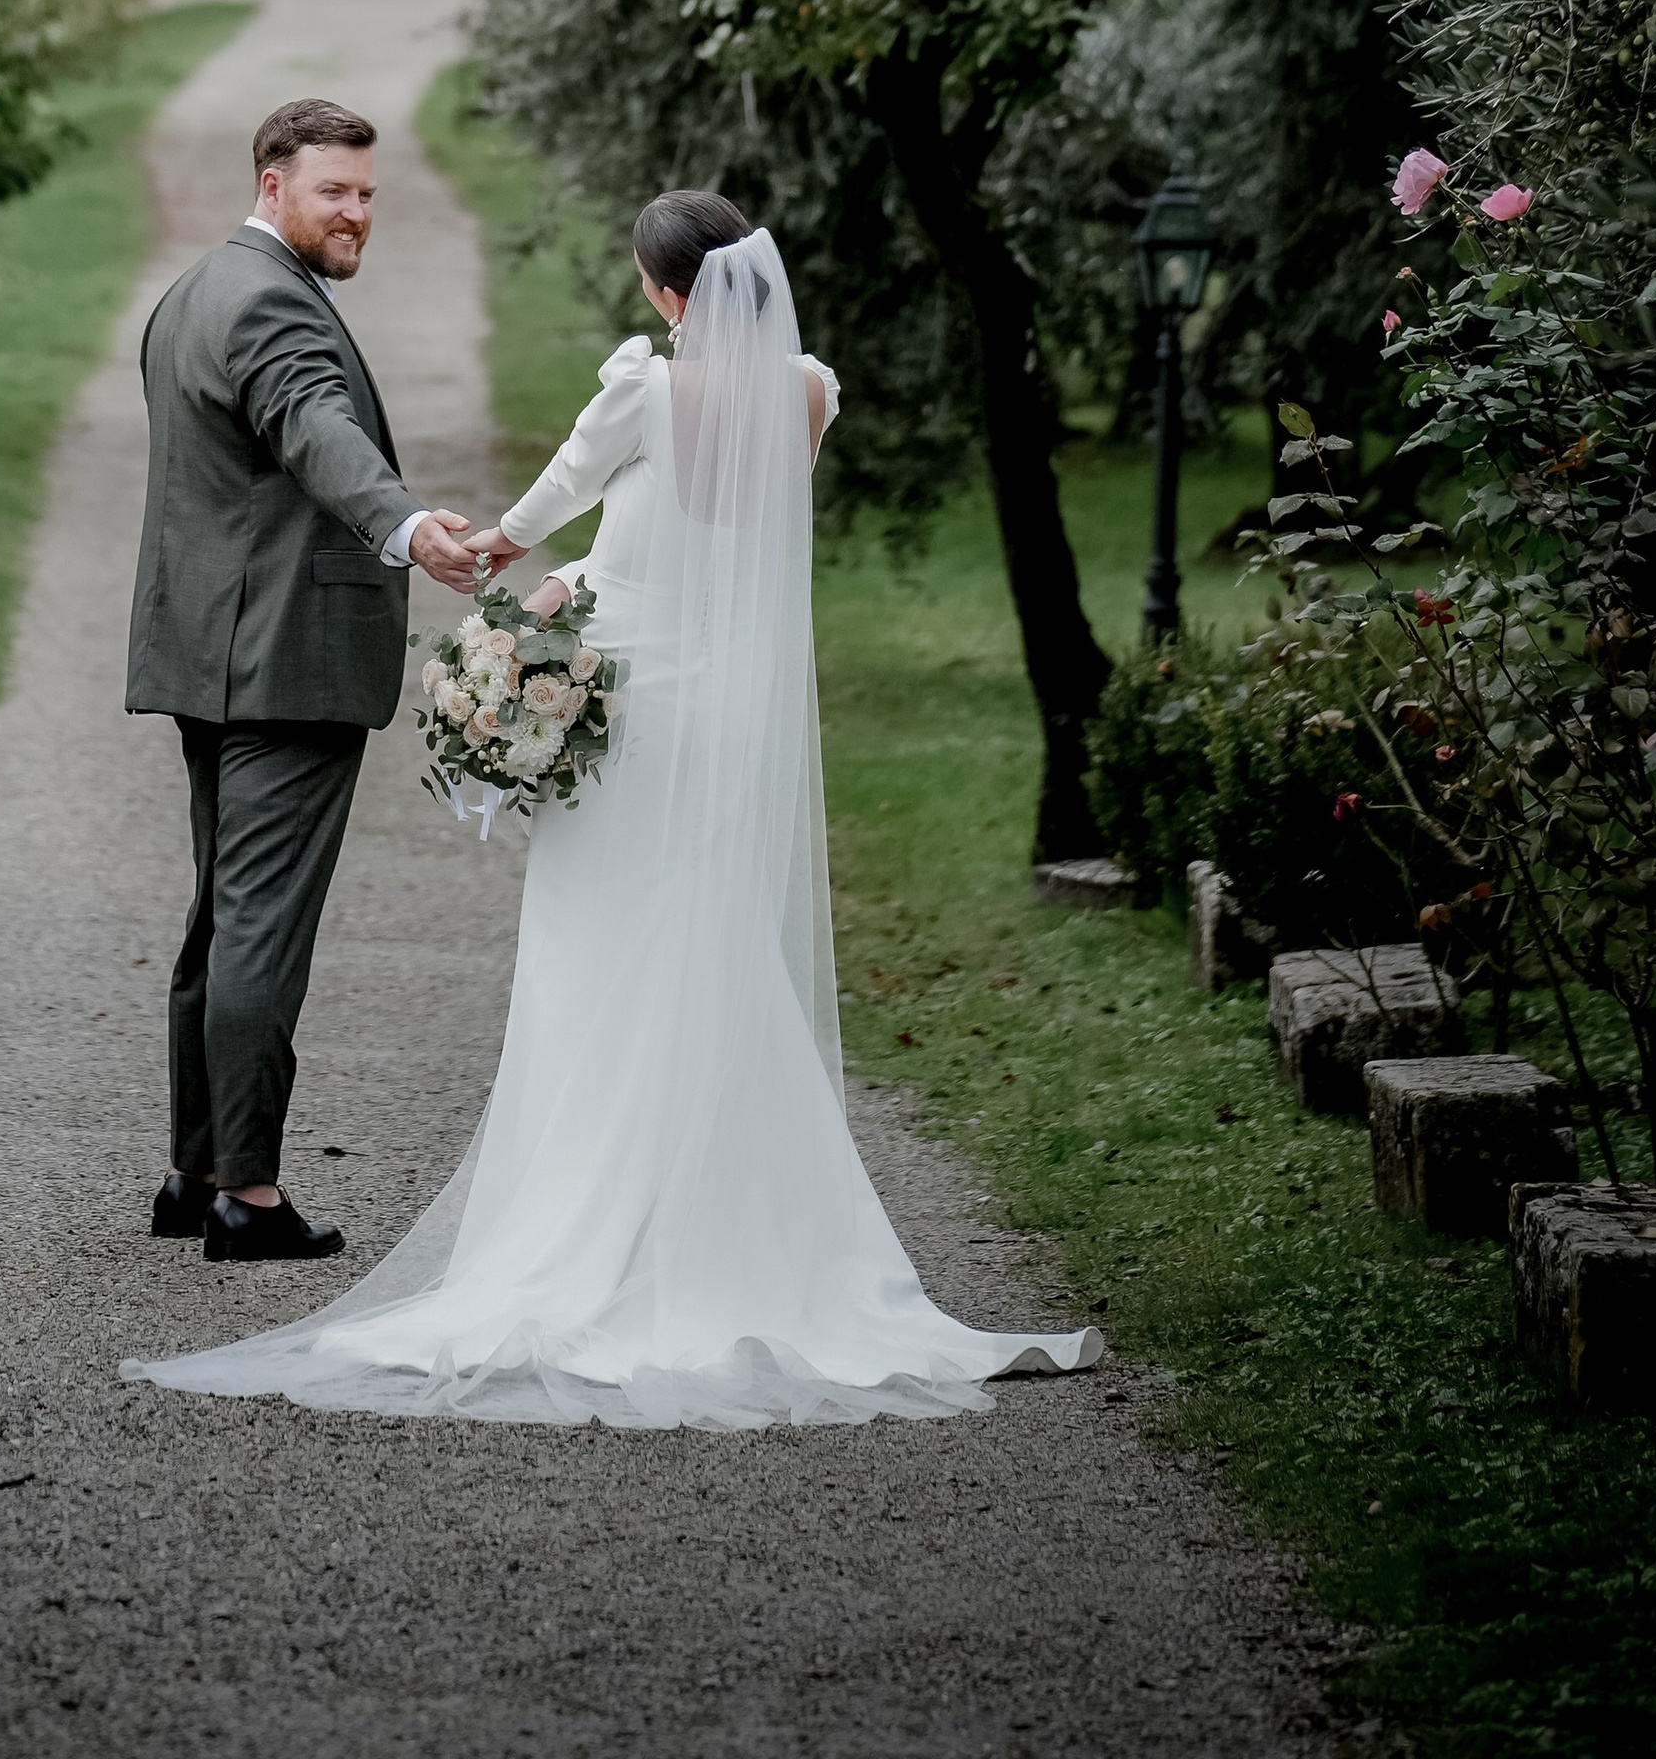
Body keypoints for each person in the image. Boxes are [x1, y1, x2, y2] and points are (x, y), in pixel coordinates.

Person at [126, 187, 1100, 1424]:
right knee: (716, 953)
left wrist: (502, 574)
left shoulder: (642, 391)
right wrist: (583, 578)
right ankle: (741, 1231)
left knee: (598, 966)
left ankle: (587, 1228)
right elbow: (717, 549)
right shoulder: (808, 390)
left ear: (662, 290)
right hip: (728, 715)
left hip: (629, 729)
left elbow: (542, 516)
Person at [126, 96, 481, 1263]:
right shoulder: (274, 304)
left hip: (212, 656)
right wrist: (407, 522)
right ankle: (249, 1196)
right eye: (337, 191)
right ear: (274, 184)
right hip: (285, 664)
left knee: (220, 925)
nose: (359, 214)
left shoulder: (192, 293)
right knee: (259, 932)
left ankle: (193, 1174)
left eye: (370, 194)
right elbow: (312, 423)